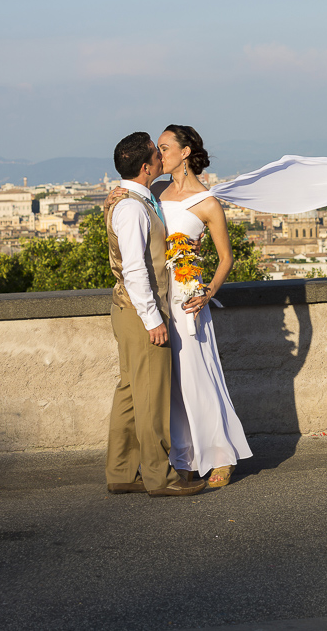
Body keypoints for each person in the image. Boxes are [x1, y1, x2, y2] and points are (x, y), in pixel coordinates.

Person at [107, 125, 252, 488]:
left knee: (196, 377)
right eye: (157, 148)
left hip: (186, 301)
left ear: (185, 153)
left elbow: (225, 258)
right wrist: (116, 195)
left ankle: (220, 454)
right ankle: (183, 455)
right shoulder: (151, 193)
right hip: (155, 302)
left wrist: (207, 292)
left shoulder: (207, 202)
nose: (159, 152)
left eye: (165, 146)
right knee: (166, 386)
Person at [104, 132, 206, 497]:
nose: (162, 159)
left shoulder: (131, 199)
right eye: (156, 154)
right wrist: (154, 321)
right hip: (139, 312)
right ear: (146, 167)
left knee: (130, 392)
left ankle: (120, 472)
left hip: (125, 310)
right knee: (151, 397)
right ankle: (160, 478)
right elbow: (136, 270)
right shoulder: (132, 208)